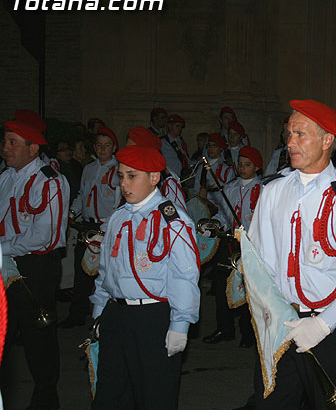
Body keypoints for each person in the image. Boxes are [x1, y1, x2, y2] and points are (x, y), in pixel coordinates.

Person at [248, 99, 336, 409]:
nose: (290, 142)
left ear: (326, 141)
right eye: (289, 134)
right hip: (278, 326)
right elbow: (258, 261)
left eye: (300, 134)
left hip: (329, 329)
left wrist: (323, 324)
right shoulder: (273, 191)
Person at [90, 145, 200, 409]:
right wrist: (98, 311)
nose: (124, 184)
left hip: (152, 317)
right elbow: (107, 269)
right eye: (121, 176)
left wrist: (181, 323)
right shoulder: (117, 217)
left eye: (132, 175)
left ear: (154, 178)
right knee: (110, 393)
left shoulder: (172, 221)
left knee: (154, 393)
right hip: (116, 315)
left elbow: (184, 275)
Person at [0, 111, 70, 409]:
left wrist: (3, 247)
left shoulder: (50, 182)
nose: (5, 148)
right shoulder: (5, 177)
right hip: (6, 260)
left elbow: (45, 236)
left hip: (35, 266)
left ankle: (45, 398)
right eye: (5, 141)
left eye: (13, 143)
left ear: (32, 149)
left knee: (37, 336)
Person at [202, 146, 263, 347]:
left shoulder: (263, 190)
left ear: (257, 167)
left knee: (251, 289)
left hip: (251, 245)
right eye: (240, 164)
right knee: (221, 287)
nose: (242, 168)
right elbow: (224, 214)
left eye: (248, 165)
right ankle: (224, 328)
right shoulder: (229, 188)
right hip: (230, 243)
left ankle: (249, 332)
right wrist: (215, 224)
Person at [61, 126, 120, 328]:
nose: (103, 149)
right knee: (82, 269)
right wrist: (71, 213)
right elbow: (82, 196)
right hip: (87, 225)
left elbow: (119, 202)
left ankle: (106, 315)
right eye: (99, 145)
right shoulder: (89, 168)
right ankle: (76, 314)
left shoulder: (118, 170)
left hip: (106, 227)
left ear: (114, 147)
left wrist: (109, 225)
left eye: (107, 145)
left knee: (105, 271)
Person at [126, 126, 188, 213]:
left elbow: (178, 220)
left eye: (133, 150)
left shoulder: (167, 181)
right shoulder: (124, 174)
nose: (127, 154)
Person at [191, 132, 236, 206]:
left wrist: (207, 195)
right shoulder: (202, 166)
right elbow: (196, 188)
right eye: (209, 145)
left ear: (220, 148)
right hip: (200, 203)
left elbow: (228, 194)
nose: (211, 148)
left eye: (214, 146)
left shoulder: (227, 169)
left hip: (217, 206)